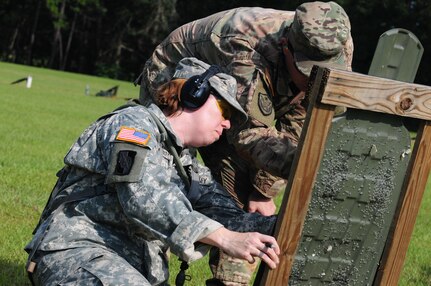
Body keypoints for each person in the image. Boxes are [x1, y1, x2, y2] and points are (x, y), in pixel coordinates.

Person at [137, 1, 354, 285]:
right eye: (310, 70)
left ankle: (230, 282)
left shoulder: (337, 42)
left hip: (243, 96)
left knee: (246, 200)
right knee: (168, 178)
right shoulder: (247, 49)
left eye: (324, 70)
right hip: (181, 82)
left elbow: (300, 130)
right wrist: (311, 169)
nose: (319, 80)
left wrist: (264, 190)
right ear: (287, 47)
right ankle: (145, 267)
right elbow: (248, 135)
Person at [24, 57, 280, 286]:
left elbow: (219, 208)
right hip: (79, 250)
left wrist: (278, 228)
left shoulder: (185, 159)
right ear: (194, 94)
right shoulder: (132, 125)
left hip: (129, 266)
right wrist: (225, 239)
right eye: (224, 110)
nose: (226, 123)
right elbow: (142, 197)